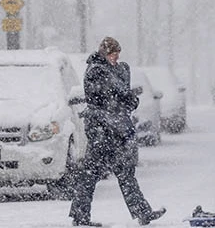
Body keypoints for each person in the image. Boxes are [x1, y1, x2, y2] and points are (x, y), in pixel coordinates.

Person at [69, 37, 166, 227]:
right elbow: (117, 94)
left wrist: (125, 91)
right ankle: (80, 216)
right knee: (92, 174)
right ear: (105, 53)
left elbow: (125, 98)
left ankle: (142, 212)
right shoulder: (96, 70)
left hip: (115, 130)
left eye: (118, 54)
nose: (116, 57)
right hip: (101, 131)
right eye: (113, 54)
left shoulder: (113, 70)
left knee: (123, 172)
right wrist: (125, 91)